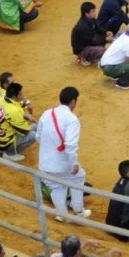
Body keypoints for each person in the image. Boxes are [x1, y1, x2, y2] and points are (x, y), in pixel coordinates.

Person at [35, 87, 87, 221]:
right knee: (79, 177)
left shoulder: (47, 113)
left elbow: (38, 137)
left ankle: (62, 214)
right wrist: (74, 163)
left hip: (45, 163)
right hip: (62, 163)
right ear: (73, 101)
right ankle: (78, 211)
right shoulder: (71, 119)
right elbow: (70, 144)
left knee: (56, 186)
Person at [99, 22, 129, 89]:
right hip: (109, 68)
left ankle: (115, 75)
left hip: (105, 64)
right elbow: (128, 61)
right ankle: (122, 83)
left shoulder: (125, 34)